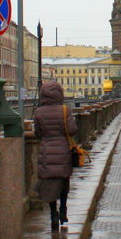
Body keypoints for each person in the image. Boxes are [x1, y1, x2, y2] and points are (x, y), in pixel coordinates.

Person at [33, 80, 78, 230]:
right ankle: (64, 209)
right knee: (64, 181)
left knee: (49, 184)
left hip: (46, 150)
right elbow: (72, 130)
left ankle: (53, 213)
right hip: (63, 151)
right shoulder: (65, 110)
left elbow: (38, 133)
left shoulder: (38, 112)